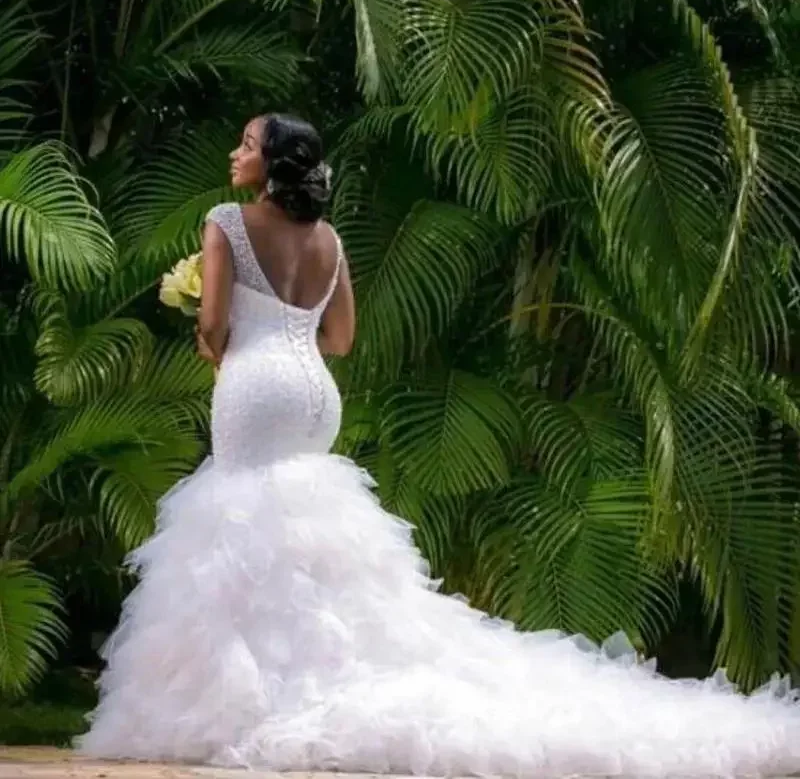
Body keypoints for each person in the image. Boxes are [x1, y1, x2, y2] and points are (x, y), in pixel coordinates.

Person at [78, 113, 800, 777]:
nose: (235, 153)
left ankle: (263, 686)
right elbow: (341, 339)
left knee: (239, 523)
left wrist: (217, 336)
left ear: (273, 162)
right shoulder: (328, 240)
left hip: (255, 387)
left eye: (246, 144)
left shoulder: (225, 222)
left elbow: (212, 327)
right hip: (314, 394)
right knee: (303, 524)